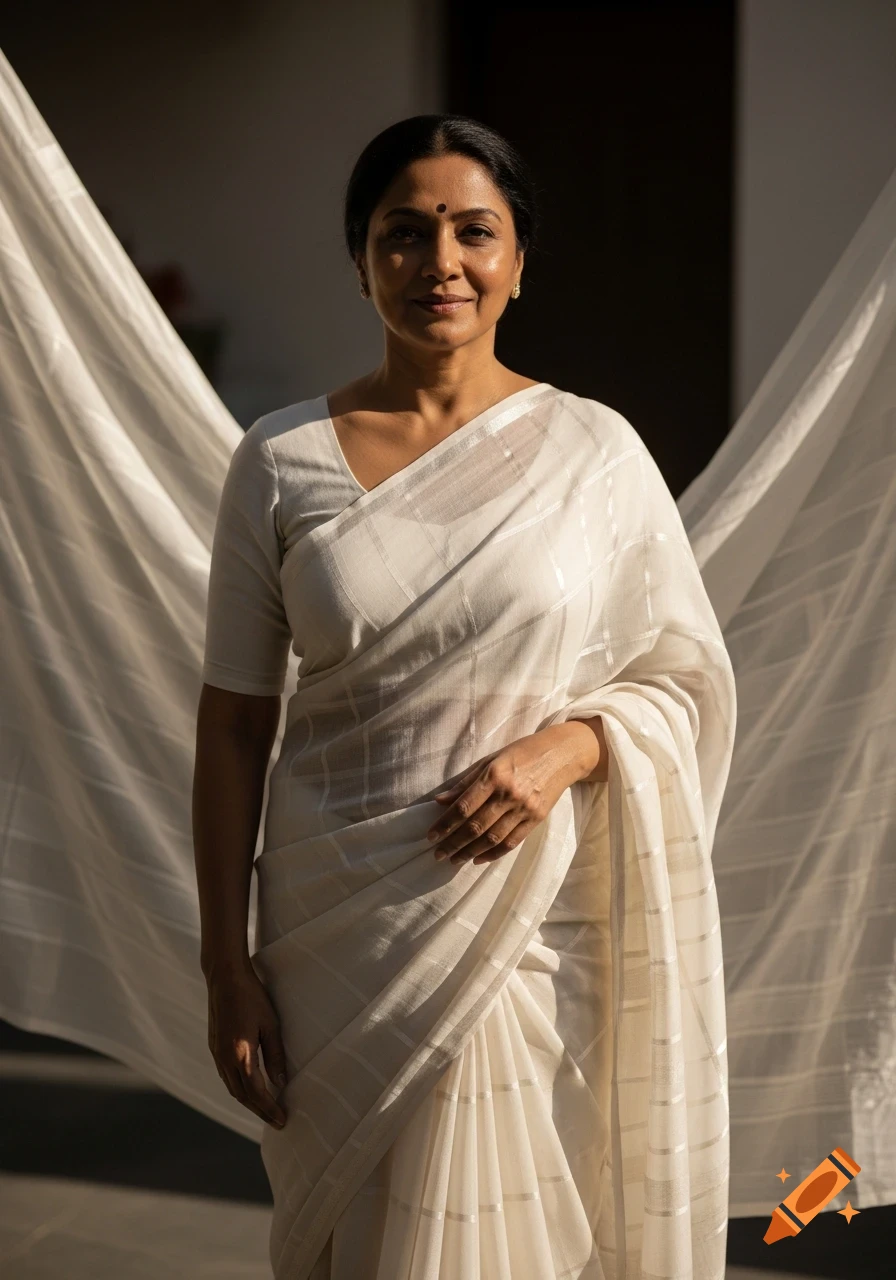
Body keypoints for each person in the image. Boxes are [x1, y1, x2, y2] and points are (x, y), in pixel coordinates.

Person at [192, 114, 737, 1280]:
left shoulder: (594, 452)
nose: (439, 262)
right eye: (402, 233)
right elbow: (235, 718)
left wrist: (575, 746)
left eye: (472, 232)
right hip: (333, 930)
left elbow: (680, 677)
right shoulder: (279, 459)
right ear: (360, 260)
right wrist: (224, 965)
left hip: (523, 922)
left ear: (518, 261)